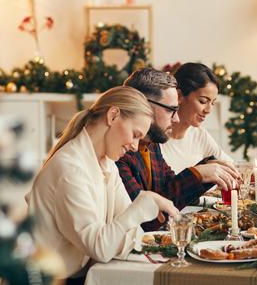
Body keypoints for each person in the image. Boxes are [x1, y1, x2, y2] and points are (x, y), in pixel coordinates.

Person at [27, 86, 179, 281]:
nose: (134, 147)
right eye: (135, 134)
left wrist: (136, 224)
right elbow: (99, 247)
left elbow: (128, 229)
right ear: (113, 116)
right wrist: (141, 205)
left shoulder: (106, 163)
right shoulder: (71, 169)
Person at [116, 68, 240, 230]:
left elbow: (169, 189)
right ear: (144, 106)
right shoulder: (120, 152)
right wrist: (199, 174)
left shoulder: (151, 145)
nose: (176, 118)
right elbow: (146, 220)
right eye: (171, 110)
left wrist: (206, 170)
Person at [161, 62, 233, 173]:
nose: (208, 110)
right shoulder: (155, 140)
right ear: (179, 96)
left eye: (212, 103)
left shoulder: (200, 135)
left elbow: (231, 166)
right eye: (203, 101)